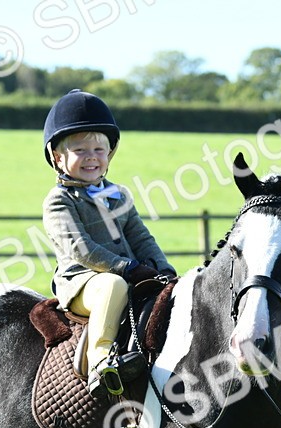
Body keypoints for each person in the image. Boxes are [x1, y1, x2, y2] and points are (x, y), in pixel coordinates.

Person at [42, 89, 175, 398]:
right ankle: (101, 360)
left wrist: (163, 270)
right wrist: (129, 268)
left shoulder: (119, 194)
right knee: (112, 285)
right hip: (82, 283)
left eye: (99, 150)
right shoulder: (59, 200)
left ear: (109, 154)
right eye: (80, 150)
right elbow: (82, 249)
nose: (91, 157)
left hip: (128, 274)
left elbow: (141, 237)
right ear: (58, 157)